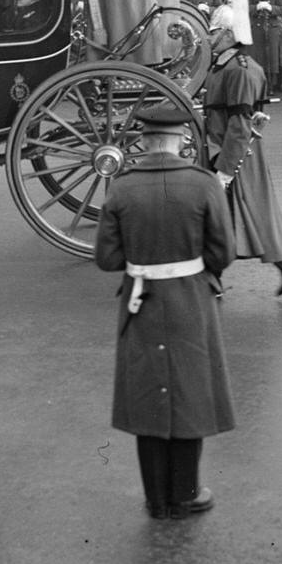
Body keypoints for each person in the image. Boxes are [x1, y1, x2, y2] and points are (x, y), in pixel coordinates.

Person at [94, 104, 235, 520]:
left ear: (142, 140)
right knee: (189, 393)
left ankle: (157, 497)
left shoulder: (121, 188)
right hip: (191, 297)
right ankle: (186, 493)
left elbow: (106, 258)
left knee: (147, 397)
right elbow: (223, 252)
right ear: (180, 141)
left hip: (141, 297)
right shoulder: (203, 184)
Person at [203, 0, 282, 295]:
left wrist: (224, 169)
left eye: (214, 32)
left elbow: (239, 123)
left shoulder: (241, 70)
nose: (210, 37)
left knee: (225, 216)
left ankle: (212, 277)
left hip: (233, 152)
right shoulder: (227, 64)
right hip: (225, 148)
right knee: (244, 215)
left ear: (229, 34)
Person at [245, 0, 282, 95]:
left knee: (272, 56)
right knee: (258, 55)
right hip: (257, 25)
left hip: (272, 25)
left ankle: (271, 84)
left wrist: (271, 8)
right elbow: (245, 7)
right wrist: (256, 8)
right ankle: (259, 85)